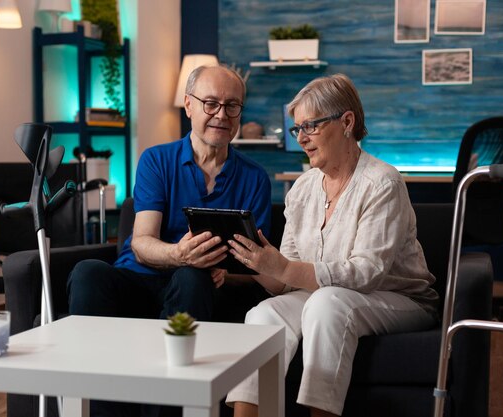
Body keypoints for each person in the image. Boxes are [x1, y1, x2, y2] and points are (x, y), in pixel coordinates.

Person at [225, 74, 439, 417]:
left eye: (310, 126)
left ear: (347, 122)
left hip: (400, 298)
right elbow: (285, 280)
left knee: (327, 304)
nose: (302, 139)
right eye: (298, 129)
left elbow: (366, 273)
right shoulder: (303, 189)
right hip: (329, 295)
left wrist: (283, 267)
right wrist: (258, 264)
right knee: (263, 313)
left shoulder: (382, 182)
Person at [67, 65, 271, 417]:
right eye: (210, 103)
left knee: (193, 277)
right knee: (87, 272)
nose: (221, 115)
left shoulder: (255, 178)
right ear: (189, 106)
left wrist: (227, 274)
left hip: (200, 289)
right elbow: (141, 242)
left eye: (232, 106)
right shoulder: (156, 161)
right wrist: (179, 253)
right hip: (142, 280)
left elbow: (260, 268)